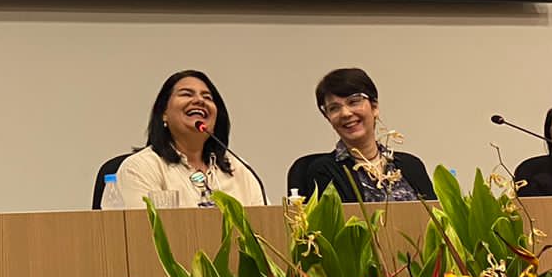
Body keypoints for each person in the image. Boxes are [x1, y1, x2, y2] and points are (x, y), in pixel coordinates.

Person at [115, 71, 266, 209]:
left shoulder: (239, 169)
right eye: (186, 94)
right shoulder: (141, 168)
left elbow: (265, 226)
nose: (200, 100)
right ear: (164, 113)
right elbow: (144, 231)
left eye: (207, 97)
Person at [288, 68, 433, 202]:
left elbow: (438, 223)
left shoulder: (412, 166)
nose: (345, 113)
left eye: (353, 102)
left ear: (374, 106)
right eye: (334, 108)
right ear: (328, 117)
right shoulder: (323, 171)